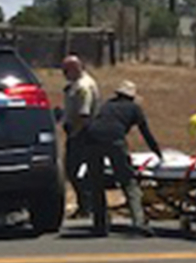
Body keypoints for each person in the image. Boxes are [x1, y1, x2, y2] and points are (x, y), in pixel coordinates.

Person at [82, 81, 162, 237]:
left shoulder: (107, 105)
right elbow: (146, 133)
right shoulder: (134, 108)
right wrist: (158, 153)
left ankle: (99, 224)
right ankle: (138, 222)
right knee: (128, 182)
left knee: (96, 182)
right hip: (114, 140)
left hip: (91, 138)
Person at [59, 55, 100, 218]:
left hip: (82, 133)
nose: (63, 74)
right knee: (73, 171)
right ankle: (85, 205)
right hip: (77, 132)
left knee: (74, 170)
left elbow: (84, 114)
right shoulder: (74, 85)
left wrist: (74, 132)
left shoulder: (84, 86)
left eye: (66, 70)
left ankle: (87, 205)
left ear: (76, 68)